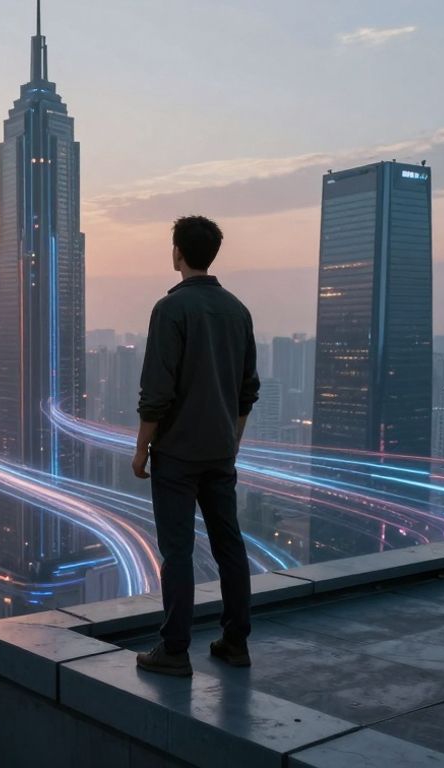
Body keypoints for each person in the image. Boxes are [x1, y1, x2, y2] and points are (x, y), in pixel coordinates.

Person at [131, 215, 259, 677]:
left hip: (179, 455)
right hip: (221, 453)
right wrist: (232, 440)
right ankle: (236, 640)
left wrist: (142, 449)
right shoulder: (237, 310)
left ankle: (175, 649)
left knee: (178, 552)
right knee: (230, 546)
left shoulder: (171, 311)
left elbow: (156, 394)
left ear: (177, 253)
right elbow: (248, 390)